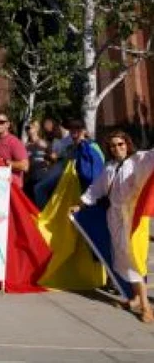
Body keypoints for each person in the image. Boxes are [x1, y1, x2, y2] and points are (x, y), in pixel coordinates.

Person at [72, 131, 154, 323]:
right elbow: (95, 190)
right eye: (113, 146)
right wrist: (81, 204)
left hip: (134, 217)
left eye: (121, 144)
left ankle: (146, 306)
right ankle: (134, 298)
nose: (117, 148)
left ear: (127, 144)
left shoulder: (139, 160)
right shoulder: (109, 167)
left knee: (136, 258)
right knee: (122, 258)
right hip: (115, 217)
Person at [0, 112, 29, 188]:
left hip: (12, 187)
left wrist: (3, 162)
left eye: (1, 122)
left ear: (8, 124)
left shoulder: (14, 142)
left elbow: (25, 166)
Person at [24, 119, 50, 202]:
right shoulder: (25, 145)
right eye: (26, 128)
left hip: (41, 175)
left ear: (37, 129)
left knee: (40, 200)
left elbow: (52, 158)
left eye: (30, 127)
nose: (28, 130)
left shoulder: (43, 143)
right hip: (29, 177)